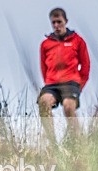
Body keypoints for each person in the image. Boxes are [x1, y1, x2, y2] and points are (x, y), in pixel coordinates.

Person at [38, 7, 90, 144]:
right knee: (44, 102)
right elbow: (43, 67)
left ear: (65, 21)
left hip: (71, 82)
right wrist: (48, 81)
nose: (56, 25)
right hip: (52, 83)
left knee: (68, 107)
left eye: (59, 22)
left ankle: (79, 141)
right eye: (53, 22)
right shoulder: (45, 44)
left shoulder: (77, 41)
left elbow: (86, 66)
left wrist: (80, 86)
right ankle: (52, 142)